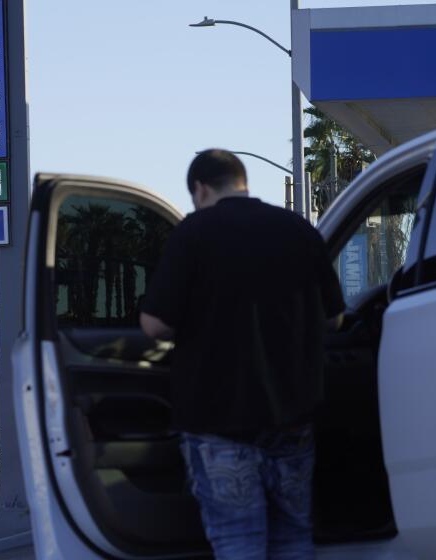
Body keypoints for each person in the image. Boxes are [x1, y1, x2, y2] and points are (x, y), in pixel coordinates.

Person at [140, 150, 345, 559]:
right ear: (242, 181)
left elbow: (156, 324)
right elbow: (335, 318)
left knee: (238, 541)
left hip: (218, 423)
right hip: (292, 418)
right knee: (293, 538)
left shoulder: (194, 233)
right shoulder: (298, 231)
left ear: (200, 188)